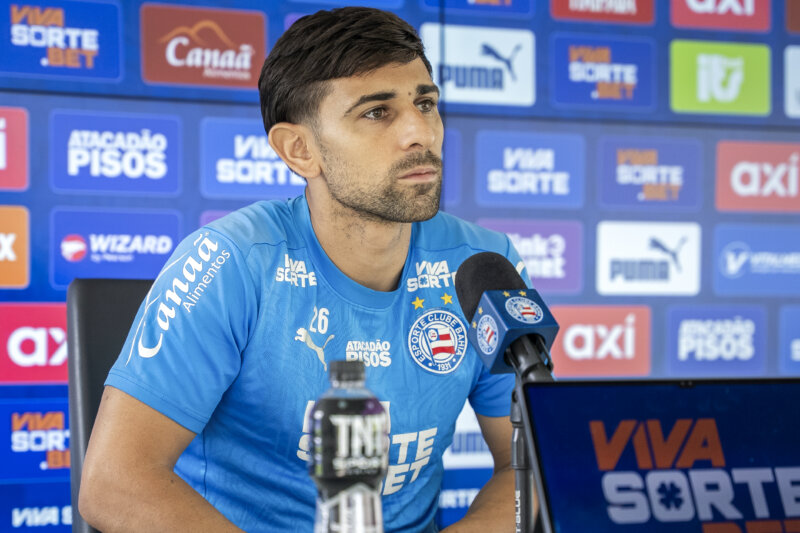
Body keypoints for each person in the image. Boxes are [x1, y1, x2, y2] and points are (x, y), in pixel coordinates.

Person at [79, 7, 532, 532]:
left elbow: (525, 467)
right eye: (376, 112)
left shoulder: (482, 264)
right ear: (299, 150)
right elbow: (115, 482)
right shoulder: (232, 260)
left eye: (425, 104)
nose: (420, 132)